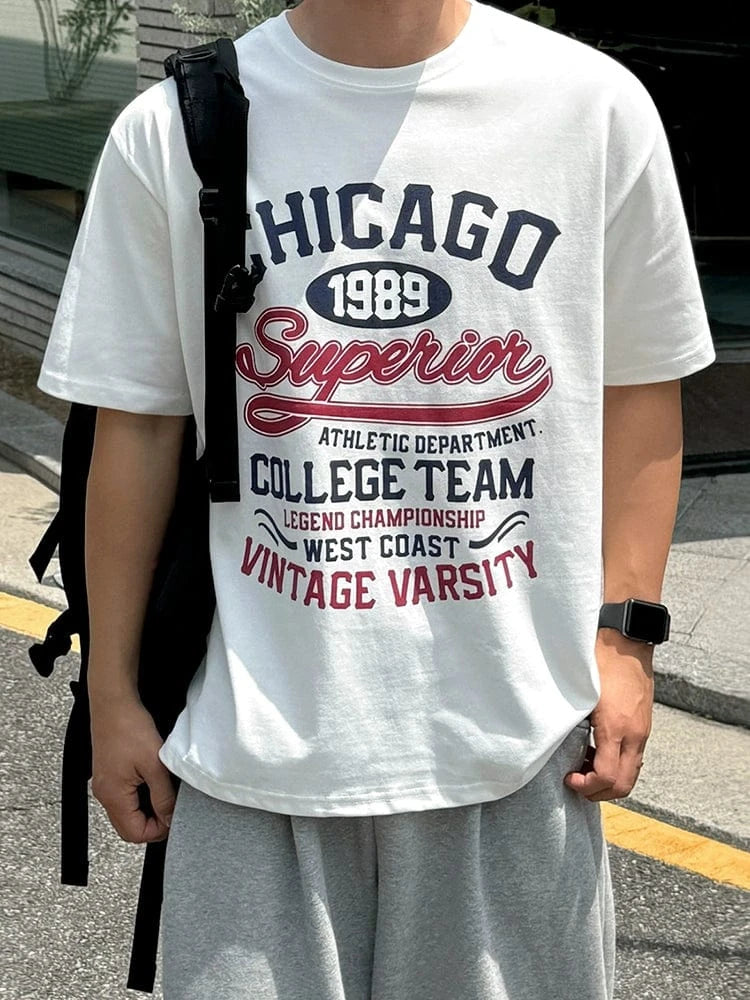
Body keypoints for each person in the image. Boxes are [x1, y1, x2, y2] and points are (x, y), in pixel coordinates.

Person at [37, 1, 716, 997]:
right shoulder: (175, 128)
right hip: (251, 750)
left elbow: (642, 387)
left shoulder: (592, 109)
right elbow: (137, 426)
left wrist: (627, 642)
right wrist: (111, 691)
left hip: (516, 746)